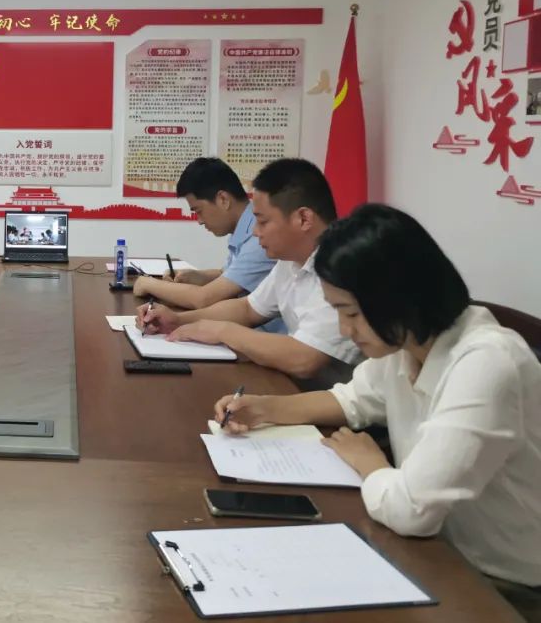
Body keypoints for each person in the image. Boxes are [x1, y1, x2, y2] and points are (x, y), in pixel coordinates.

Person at [212, 204, 541, 619]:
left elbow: (412, 511)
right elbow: (351, 399)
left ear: (397, 296)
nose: (345, 330)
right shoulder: (409, 341)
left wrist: (370, 463)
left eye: (350, 313)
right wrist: (265, 408)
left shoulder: (487, 362)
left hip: (505, 584)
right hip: (438, 551)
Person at [138, 158, 361, 388]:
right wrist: (177, 321)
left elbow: (305, 359)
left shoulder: (340, 267)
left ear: (303, 219)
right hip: (300, 386)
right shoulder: (290, 262)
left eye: (262, 221)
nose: (255, 232)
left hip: (338, 400)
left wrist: (223, 332)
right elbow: (247, 309)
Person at [134, 157, 276, 311]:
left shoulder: (259, 238)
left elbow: (204, 298)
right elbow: (227, 273)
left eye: (199, 211)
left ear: (223, 199)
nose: (199, 221)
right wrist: (197, 276)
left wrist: (148, 284)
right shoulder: (243, 226)